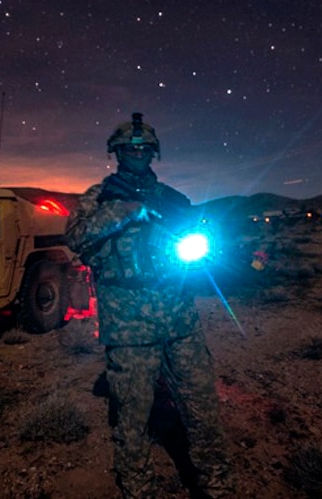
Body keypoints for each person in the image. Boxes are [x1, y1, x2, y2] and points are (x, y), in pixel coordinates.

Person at [66, 112, 233, 498]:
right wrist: (122, 211)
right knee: (133, 418)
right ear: (117, 153)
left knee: (202, 409)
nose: (138, 154)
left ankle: (217, 484)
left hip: (180, 321)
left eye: (144, 148)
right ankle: (138, 489)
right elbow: (75, 237)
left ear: (153, 153)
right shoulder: (99, 197)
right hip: (128, 329)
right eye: (130, 148)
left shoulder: (171, 200)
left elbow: (198, 240)